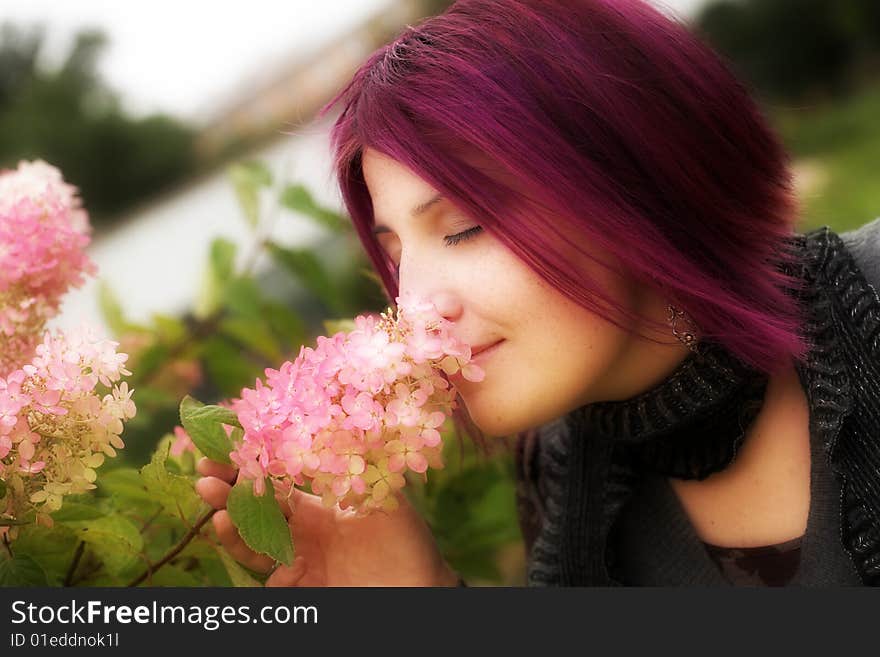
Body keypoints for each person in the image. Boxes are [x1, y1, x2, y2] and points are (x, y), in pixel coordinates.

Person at [196, 0, 880, 586]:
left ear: (630, 178)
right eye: (395, 257)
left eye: (463, 226)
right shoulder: (556, 486)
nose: (415, 309)